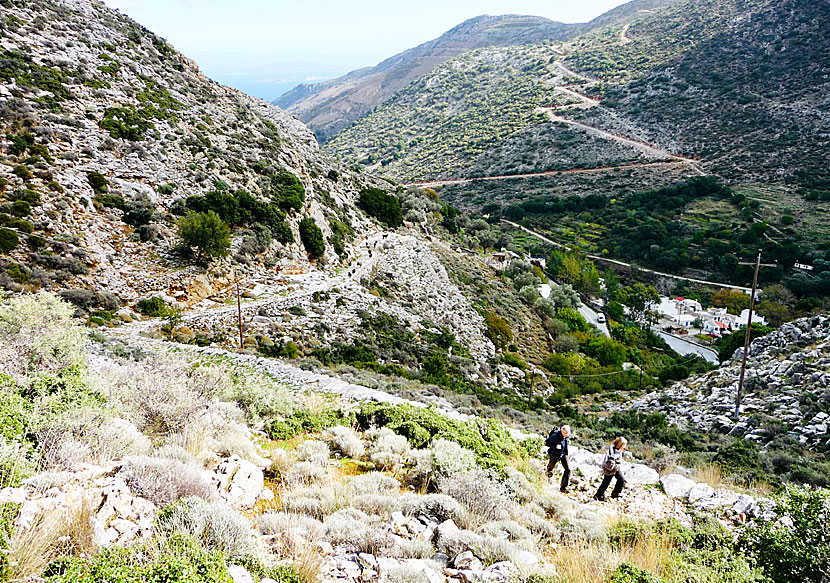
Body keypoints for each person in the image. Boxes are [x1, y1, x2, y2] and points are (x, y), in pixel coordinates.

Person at [594, 436, 627, 501]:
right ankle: (598, 495)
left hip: (616, 467)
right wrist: (615, 467)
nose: (625, 447)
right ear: (620, 444)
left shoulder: (619, 450)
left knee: (621, 479)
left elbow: (618, 460)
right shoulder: (611, 449)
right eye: (624, 445)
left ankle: (616, 493)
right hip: (609, 468)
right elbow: (610, 461)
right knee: (606, 482)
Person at [545, 424, 571, 493]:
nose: (567, 435)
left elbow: (565, 439)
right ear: (562, 431)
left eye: (568, 434)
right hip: (555, 454)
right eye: (566, 434)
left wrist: (567, 441)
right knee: (550, 467)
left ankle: (563, 487)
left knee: (568, 469)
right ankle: (546, 479)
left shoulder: (566, 436)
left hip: (564, 454)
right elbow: (547, 442)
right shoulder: (555, 436)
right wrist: (555, 446)